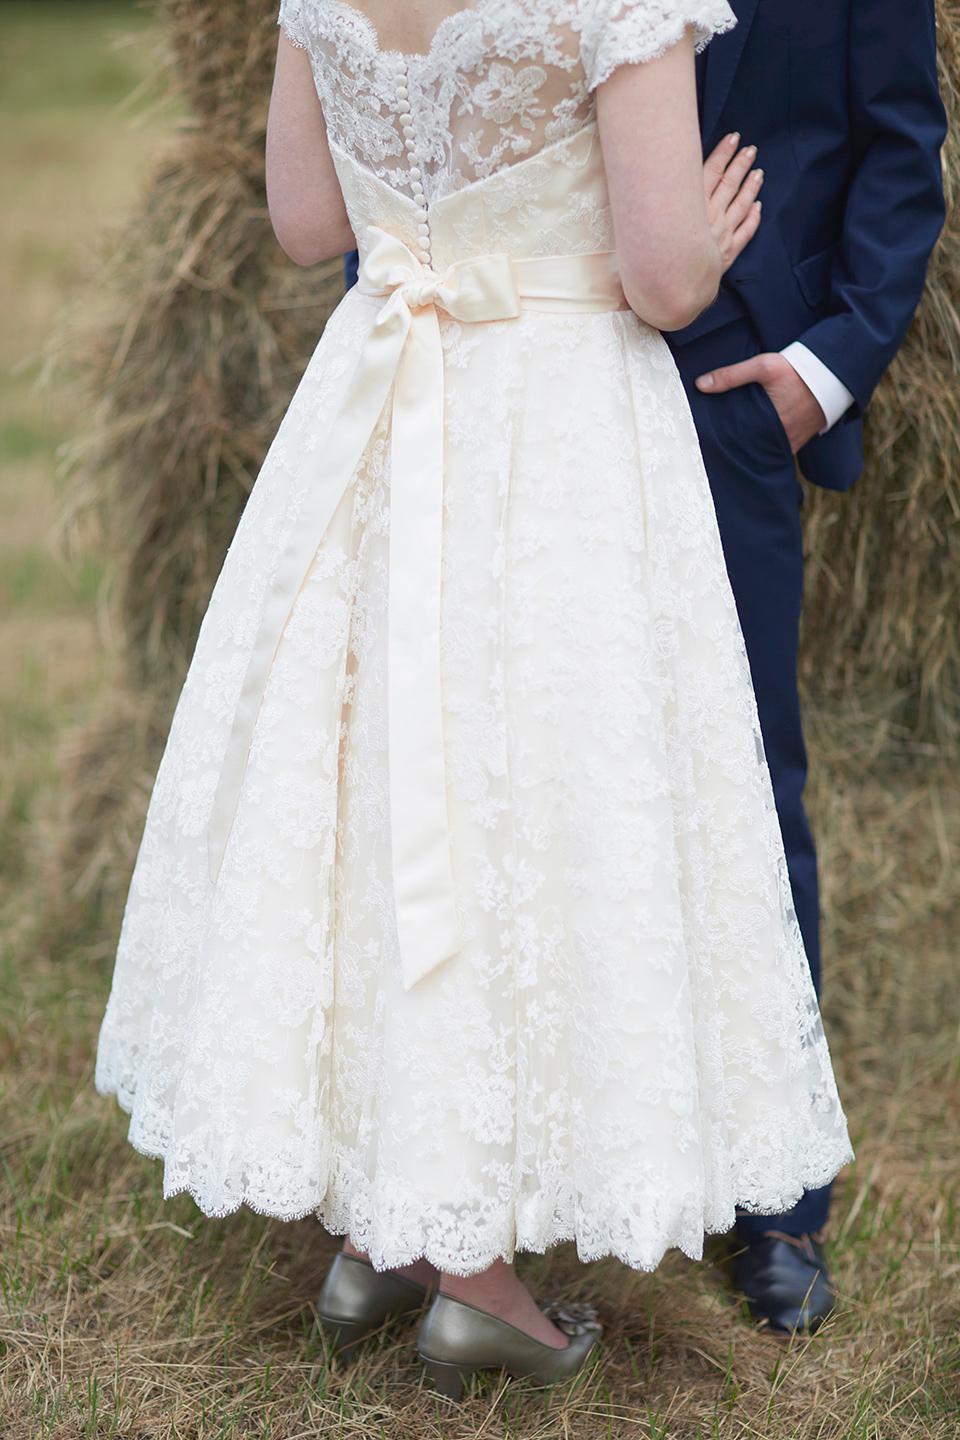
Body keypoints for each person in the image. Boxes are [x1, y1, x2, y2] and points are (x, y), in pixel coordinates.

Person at [95, 0, 853, 1399]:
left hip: (378, 402)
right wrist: (709, 232)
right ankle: (478, 1280)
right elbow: (664, 277)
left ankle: (386, 1228)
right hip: (548, 424)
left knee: (380, 780)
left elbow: (309, 223)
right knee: (525, 799)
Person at [666, 0, 946, 1334]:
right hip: (544, 372)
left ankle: (776, 1199)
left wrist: (821, 373)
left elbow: (901, 150)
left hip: (736, 389)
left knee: (747, 773)